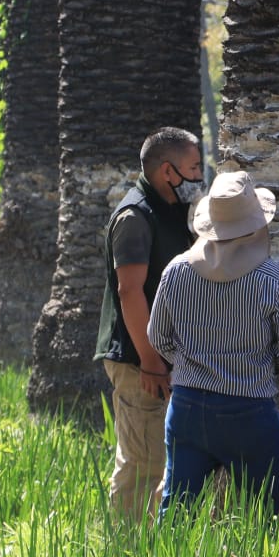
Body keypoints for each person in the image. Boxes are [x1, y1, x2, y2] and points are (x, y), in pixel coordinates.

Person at [147, 171, 279, 523]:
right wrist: (261, 367)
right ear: (256, 226)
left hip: (187, 406)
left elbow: (157, 337)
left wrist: (193, 363)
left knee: (176, 511)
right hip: (249, 410)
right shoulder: (273, 279)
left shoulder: (176, 271)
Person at [93, 127, 205, 519]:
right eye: (193, 167)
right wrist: (152, 361)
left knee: (165, 464)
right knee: (143, 465)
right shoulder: (135, 217)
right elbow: (130, 291)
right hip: (139, 363)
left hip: (164, 360)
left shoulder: (171, 209)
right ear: (167, 172)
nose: (199, 176)